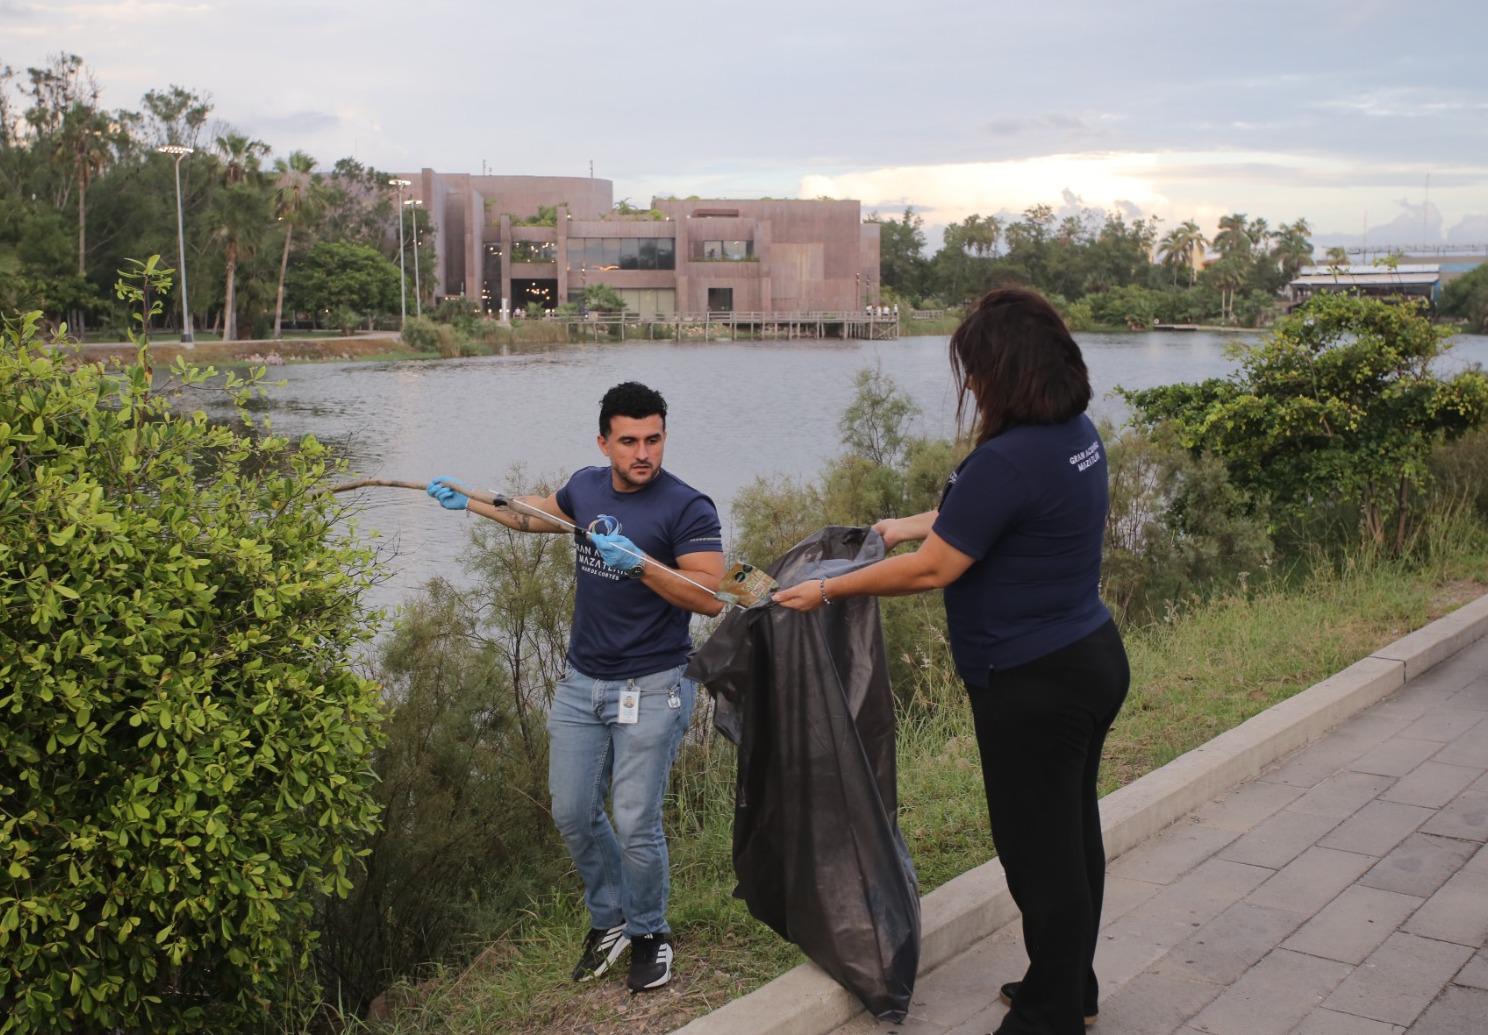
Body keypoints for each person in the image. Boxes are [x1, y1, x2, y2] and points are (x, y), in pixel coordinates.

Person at [775, 287, 1129, 1034]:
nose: (969, 384)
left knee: (1037, 852)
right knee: (1070, 834)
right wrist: (904, 524)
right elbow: (982, 516)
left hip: (1033, 682)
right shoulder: (1072, 433)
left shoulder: (1005, 458)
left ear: (1006, 370)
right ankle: (1071, 984)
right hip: (1087, 660)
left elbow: (935, 569)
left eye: (974, 369)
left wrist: (828, 586)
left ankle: (1052, 1013)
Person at [425, 381, 725, 993]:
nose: (643, 453)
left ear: (664, 436)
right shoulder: (586, 486)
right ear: (604, 441)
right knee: (571, 812)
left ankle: (649, 933)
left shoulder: (689, 507)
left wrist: (639, 563)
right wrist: (470, 498)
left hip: (654, 683)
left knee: (636, 819)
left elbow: (708, 597)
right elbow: (534, 515)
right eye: (629, 441)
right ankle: (609, 918)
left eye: (654, 439)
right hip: (582, 684)